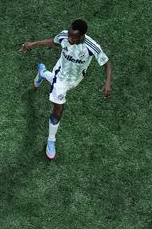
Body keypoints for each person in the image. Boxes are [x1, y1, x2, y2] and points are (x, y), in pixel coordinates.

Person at [19, 19, 113, 159]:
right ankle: (51, 140)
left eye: (73, 36)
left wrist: (108, 83)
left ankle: (42, 72)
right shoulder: (64, 36)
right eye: (69, 34)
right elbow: (53, 41)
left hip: (75, 79)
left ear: (82, 36)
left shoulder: (92, 47)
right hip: (61, 76)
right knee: (59, 108)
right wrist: (32, 44)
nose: (69, 38)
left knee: (56, 88)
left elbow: (107, 63)